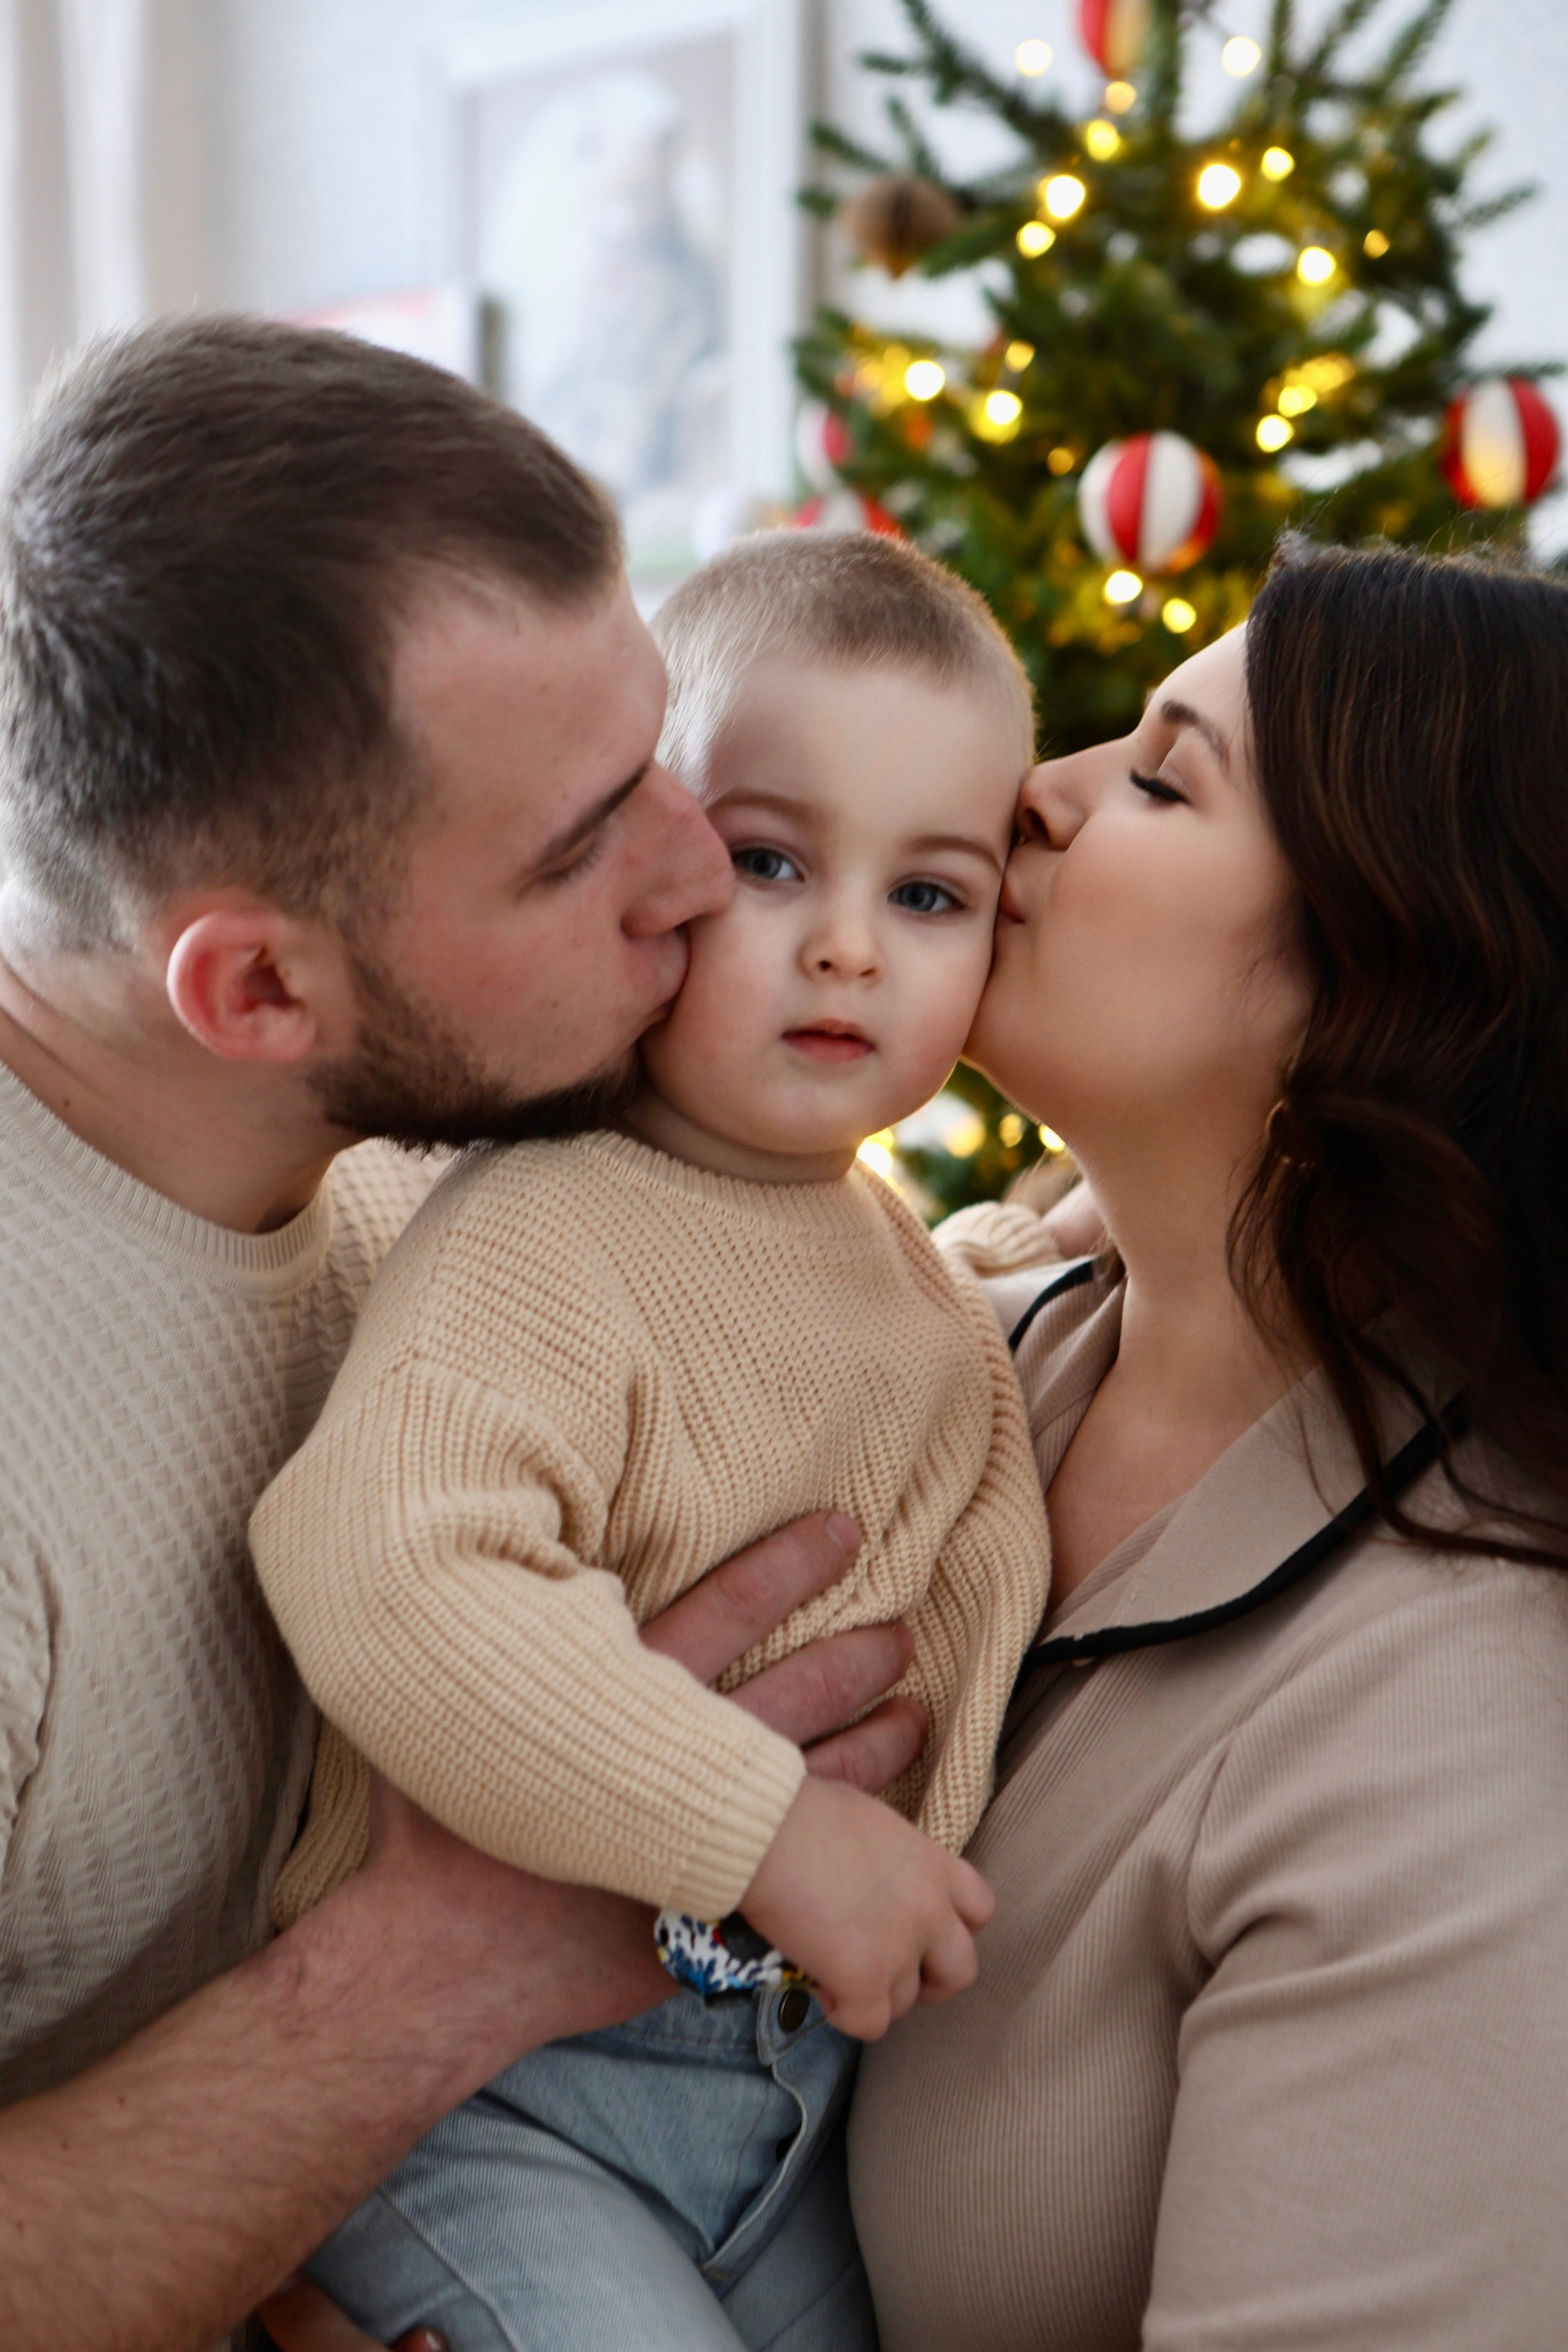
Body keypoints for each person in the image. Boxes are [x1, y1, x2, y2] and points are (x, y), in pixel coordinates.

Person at [0, 315, 929, 2352]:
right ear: (254, 994)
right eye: (582, 840)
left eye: (656, 753)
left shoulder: (442, 1167)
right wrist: (442, 1967)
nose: (703, 869)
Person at [246, 530, 1054, 2352]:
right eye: (771, 862)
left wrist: (1060, 1246)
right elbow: (388, 1571)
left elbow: (900, 1451)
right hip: (501, 2104)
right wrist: (771, 1829)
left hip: (794, 2095)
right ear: (648, 865)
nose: (846, 942)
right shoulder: (544, 1234)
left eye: (931, 897)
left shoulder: (916, 1285)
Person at [848, 540, 1568, 2350]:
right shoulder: (970, 1342)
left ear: (1389, 982)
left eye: (1164, 779)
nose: (1039, 794)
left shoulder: (1460, 1725)